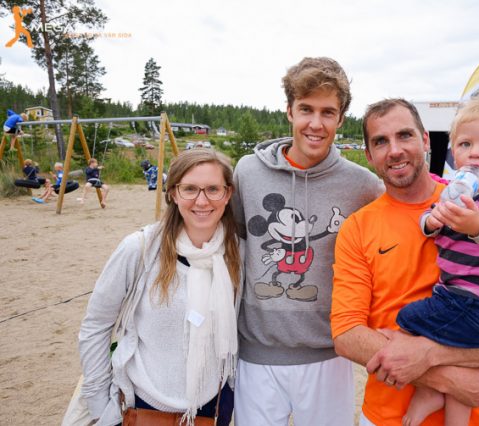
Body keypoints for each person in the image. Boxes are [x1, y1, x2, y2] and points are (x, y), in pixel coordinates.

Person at [331, 98, 479, 426]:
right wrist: (448, 379)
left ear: (426, 140)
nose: (395, 150)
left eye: (405, 135)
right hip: (389, 416)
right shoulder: (358, 228)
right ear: (369, 154)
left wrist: (430, 355)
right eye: (381, 141)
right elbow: (347, 335)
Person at [231, 57, 383, 426]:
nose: (316, 123)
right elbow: (231, 244)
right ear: (289, 111)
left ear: (341, 118)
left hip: (328, 355)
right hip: (256, 355)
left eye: (327, 112)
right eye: (306, 109)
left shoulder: (363, 186)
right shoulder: (248, 172)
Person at [78, 149, 241, 425]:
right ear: (173, 193)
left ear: (227, 194)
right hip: (144, 405)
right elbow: (96, 324)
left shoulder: (237, 253)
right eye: (190, 189)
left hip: (214, 405)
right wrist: (97, 403)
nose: (202, 201)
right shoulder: (140, 249)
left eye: (213, 189)